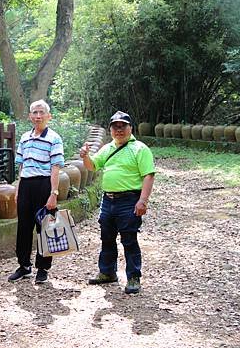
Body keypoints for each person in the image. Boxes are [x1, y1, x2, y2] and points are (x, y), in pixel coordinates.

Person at [80, 111, 155, 294]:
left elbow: (148, 175)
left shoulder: (140, 148)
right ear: (111, 129)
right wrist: (85, 157)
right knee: (106, 236)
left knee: (129, 239)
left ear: (131, 128)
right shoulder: (107, 148)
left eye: (123, 126)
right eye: (115, 127)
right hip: (108, 199)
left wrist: (142, 201)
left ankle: (133, 277)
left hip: (129, 199)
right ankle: (107, 272)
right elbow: (93, 166)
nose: (119, 130)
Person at [8, 99, 65, 284]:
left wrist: (53, 193)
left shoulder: (54, 138)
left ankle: (43, 268)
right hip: (26, 184)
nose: (38, 116)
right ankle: (24, 266)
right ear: (29, 116)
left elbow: (55, 167)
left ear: (49, 116)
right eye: (34, 112)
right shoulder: (25, 138)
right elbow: (21, 166)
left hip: (44, 185)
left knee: (45, 227)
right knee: (23, 227)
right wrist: (18, 189)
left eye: (41, 112)